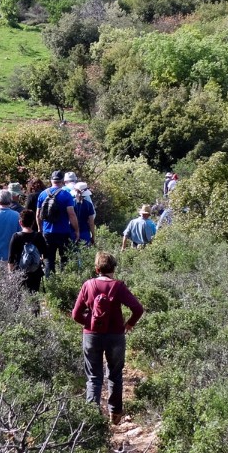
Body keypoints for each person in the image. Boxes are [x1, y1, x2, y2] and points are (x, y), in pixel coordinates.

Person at [71, 252, 144, 424]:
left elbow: (75, 314)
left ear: (97, 269)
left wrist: (88, 323)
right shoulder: (118, 286)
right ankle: (115, 414)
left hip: (91, 336)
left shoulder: (88, 285)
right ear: (113, 268)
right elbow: (138, 309)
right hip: (116, 336)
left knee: (94, 378)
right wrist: (129, 325)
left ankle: (91, 420)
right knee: (115, 375)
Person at [36, 170, 79, 274]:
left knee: (48, 260)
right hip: (63, 232)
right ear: (62, 182)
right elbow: (72, 214)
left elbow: (38, 215)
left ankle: (50, 283)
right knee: (65, 259)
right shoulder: (66, 195)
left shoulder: (42, 194)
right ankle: (64, 282)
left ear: (51, 180)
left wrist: (40, 229)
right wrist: (77, 230)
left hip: (47, 232)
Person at [7, 209, 48, 293]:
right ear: (33, 222)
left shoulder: (16, 237)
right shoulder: (38, 236)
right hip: (36, 272)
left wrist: (10, 273)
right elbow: (46, 254)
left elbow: (11, 258)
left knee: (20, 297)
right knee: (33, 295)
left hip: (20, 272)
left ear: (20, 222)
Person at [73, 181, 96, 246]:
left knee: (71, 253)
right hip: (85, 232)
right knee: (84, 253)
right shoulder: (88, 205)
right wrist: (93, 235)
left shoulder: (70, 203)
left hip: (72, 232)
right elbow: (91, 222)